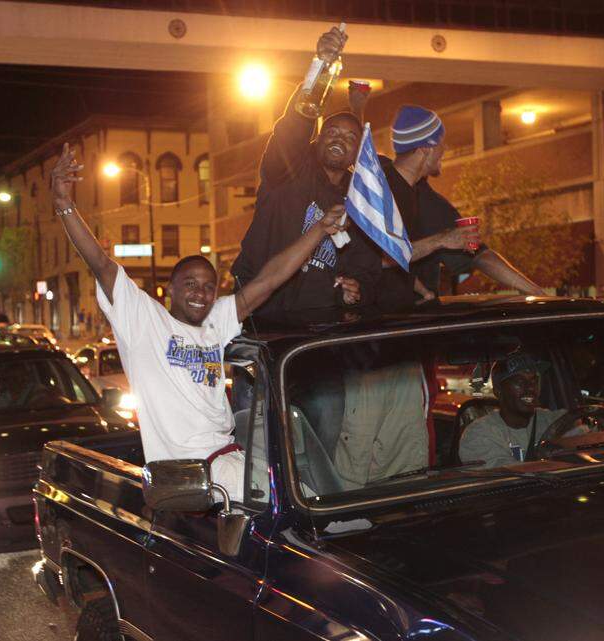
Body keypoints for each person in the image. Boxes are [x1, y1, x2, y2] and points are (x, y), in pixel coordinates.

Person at [50, 143, 349, 502]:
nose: (200, 293)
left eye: (209, 287)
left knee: (304, 468)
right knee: (303, 513)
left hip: (229, 457)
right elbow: (100, 261)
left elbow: (269, 281)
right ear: (170, 288)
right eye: (190, 284)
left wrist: (318, 230)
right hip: (193, 474)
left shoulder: (216, 320)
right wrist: (63, 203)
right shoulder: (143, 319)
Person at [231, 27, 382, 320]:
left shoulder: (359, 200)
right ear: (318, 137)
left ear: (357, 153)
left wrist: (357, 289)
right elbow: (296, 123)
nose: (340, 139)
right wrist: (322, 66)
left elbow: (367, 266)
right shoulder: (287, 171)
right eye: (333, 132)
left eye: (351, 138)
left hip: (317, 326)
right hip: (261, 315)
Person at [369, 105, 544, 308]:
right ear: (425, 148)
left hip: (407, 316)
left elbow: (479, 254)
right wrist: (441, 240)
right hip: (386, 324)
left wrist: (536, 293)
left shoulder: (419, 195)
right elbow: (376, 258)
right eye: (441, 142)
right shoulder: (379, 190)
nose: (445, 149)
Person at [458, 353, 565, 468]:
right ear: (498, 391)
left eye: (534, 381)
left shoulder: (553, 420)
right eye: (519, 382)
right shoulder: (479, 433)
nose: (530, 387)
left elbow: (583, 437)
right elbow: (506, 477)